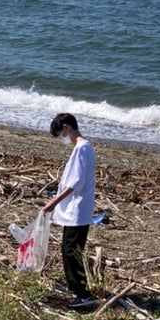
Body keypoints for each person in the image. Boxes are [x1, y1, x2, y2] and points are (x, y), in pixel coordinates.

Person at [41, 112, 96, 308]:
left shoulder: (82, 149)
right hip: (76, 208)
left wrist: (54, 202)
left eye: (60, 134)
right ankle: (72, 285)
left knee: (72, 251)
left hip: (78, 209)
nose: (62, 139)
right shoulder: (82, 148)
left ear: (66, 127)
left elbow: (75, 183)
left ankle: (83, 294)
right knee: (67, 248)